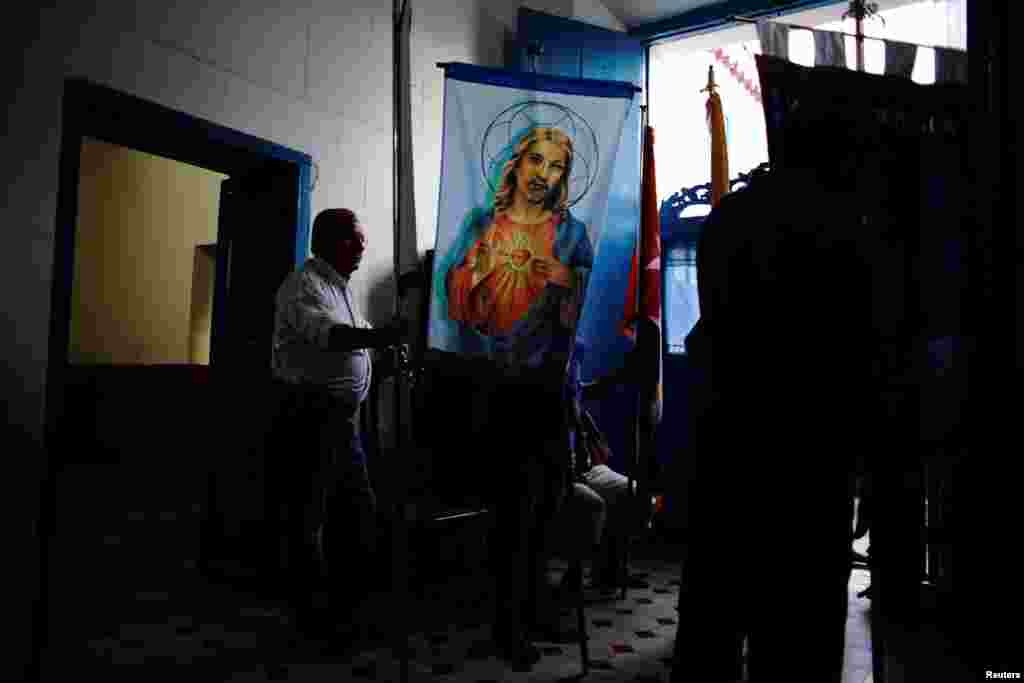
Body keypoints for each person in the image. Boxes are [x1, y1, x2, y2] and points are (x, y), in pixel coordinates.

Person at [671, 109, 880, 683]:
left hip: (728, 444)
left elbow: (711, 328)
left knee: (713, 619)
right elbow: (855, 354)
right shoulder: (844, 228)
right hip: (808, 457)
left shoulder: (731, 217)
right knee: (797, 633)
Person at [271, 208, 404, 637]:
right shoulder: (303, 285)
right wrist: (382, 335)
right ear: (324, 240)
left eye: (362, 239)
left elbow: (357, 348)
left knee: (355, 514)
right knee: (314, 517)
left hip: (343, 421)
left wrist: (383, 359)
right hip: (311, 415)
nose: (362, 246)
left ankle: (347, 611)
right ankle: (312, 617)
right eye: (353, 239)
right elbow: (330, 337)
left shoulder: (341, 289)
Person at [441, 125, 593, 368]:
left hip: (542, 367)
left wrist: (569, 278)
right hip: (480, 364)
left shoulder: (571, 234)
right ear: (517, 163)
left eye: (556, 167)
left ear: (562, 178)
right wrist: (476, 272)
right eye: (535, 159)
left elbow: (596, 304)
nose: (542, 174)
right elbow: (452, 299)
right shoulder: (483, 223)